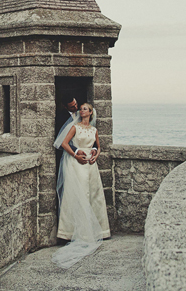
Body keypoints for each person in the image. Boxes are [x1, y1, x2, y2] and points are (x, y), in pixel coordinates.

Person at [52, 102, 110, 268]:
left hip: (91, 165)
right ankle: (71, 232)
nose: (81, 110)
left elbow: (98, 147)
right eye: (81, 108)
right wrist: (76, 155)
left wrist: (95, 155)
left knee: (94, 195)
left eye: (85, 109)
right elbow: (64, 143)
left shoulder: (94, 130)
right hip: (77, 164)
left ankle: (99, 231)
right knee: (78, 194)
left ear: (90, 113)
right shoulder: (75, 127)